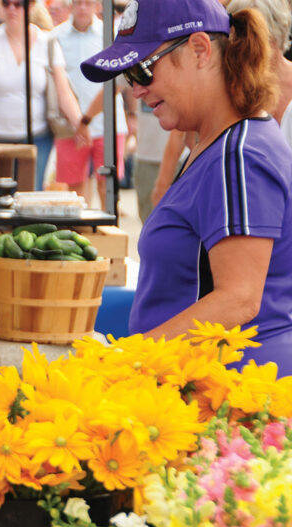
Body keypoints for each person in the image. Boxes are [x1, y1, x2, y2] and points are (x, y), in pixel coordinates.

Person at [82, 0, 292, 375]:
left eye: (143, 70)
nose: (136, 91)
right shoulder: (217, 143)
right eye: (129, 77)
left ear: (200, 49)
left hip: (230, 399)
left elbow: (239, 298)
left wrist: (130, 362)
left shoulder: (239, 154)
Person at [0, 0, 84, 189]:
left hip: (36, 137)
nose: (12, 9)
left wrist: (80, 124)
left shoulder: (47, 43)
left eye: (18, 4)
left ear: (31, 6)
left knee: (30, 196)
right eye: (6, 4)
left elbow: (64, 92)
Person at [52, 0, 128, 208]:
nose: (83, 8)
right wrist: (77, 119)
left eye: (88, 3)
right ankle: (81, 235)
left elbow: (120, 81)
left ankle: (107, 234)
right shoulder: (56, 36)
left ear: (97, 6)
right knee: (75, 190)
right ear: (71, 6)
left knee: (107, 187)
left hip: (108, 123)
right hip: (70, 124)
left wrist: (133, 115)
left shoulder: (111, 34)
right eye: (78, 3)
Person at [226, 0, 292, 147]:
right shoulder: (232, 91)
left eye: (257, 38)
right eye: (241, 40)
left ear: (278, 34)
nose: (250, 49)